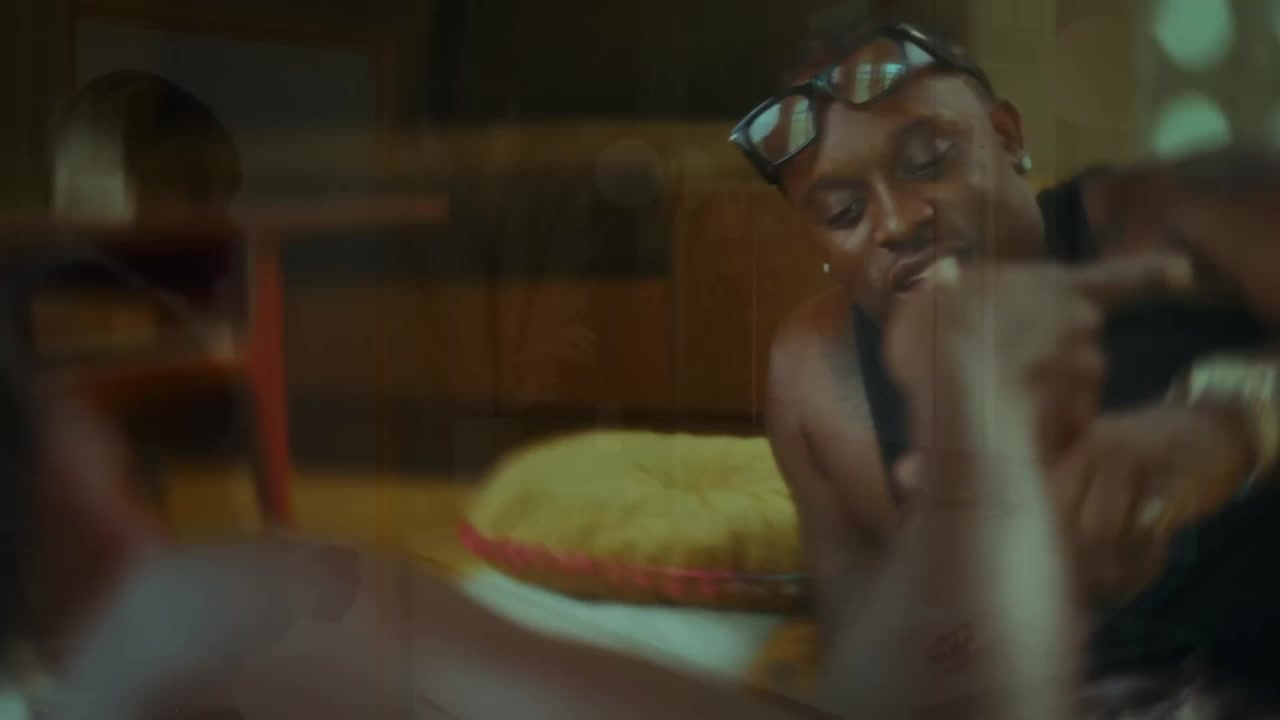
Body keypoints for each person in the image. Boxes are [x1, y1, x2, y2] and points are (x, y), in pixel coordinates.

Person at [739, 16, 1280, 706]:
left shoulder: (1182, 212)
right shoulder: (818, 369)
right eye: (845, 212)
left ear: (1007, 135)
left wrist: (1234, 421)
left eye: (929, 162)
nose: (899, 221)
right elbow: (867, 675)